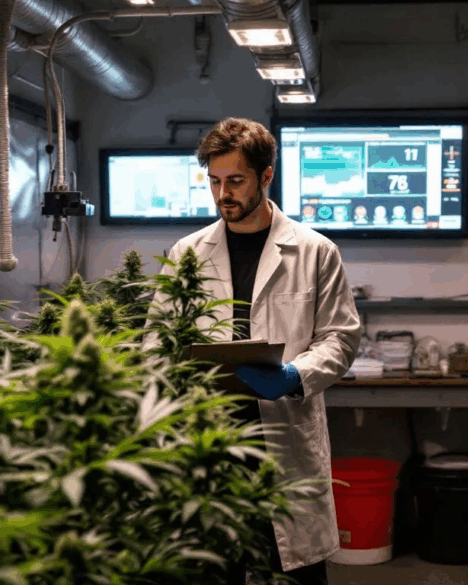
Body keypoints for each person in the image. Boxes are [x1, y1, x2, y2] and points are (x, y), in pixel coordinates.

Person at [145, 117, 362, 585]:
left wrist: (295, 375)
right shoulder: (186, 253)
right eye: (215, 181)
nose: (224, 193)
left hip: (281, 437)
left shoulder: (314, 251)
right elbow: (156, 343)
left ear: (266, 177)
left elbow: (341, 337)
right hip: (211, 442)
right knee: (212, 568)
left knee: (297, 570)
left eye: (236, 181)